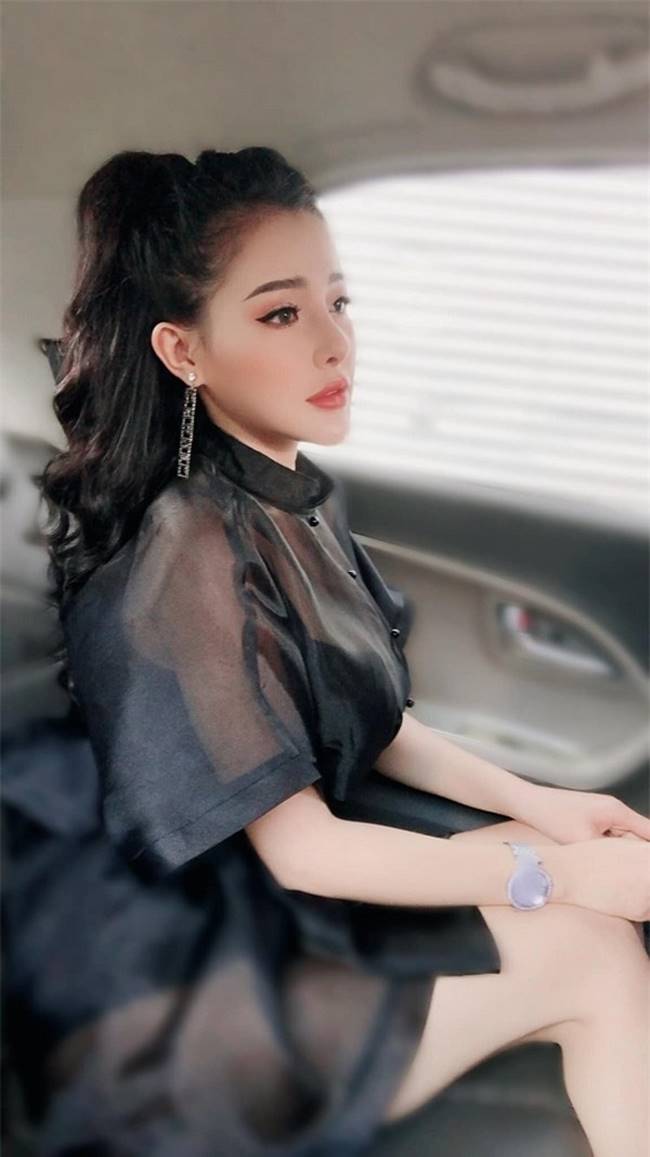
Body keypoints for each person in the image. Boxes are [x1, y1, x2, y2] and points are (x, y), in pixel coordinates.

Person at [5, 146, 648, 1157]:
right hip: (198, 977)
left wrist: (546, 807)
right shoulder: (188, 545)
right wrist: (557, 880)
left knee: (585, 861)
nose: (333, 342)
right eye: (279, 314)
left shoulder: (286, 497)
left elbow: (376, 722)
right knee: (593, 947)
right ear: (183, 351)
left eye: (337, 302)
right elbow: (303, 850)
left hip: (280, 900)